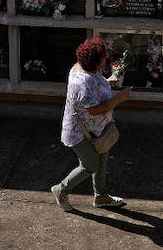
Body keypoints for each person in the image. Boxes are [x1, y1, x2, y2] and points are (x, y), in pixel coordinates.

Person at [52, 36, 131, 211]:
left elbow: (93, 87)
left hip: (97, 128)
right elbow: (94, 109)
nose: (106, 59)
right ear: (95, 62)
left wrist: (108, 80)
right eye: (103, 57)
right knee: (90, 164)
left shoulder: (82, 68)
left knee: (102, 158)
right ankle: (61, 189)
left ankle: (101, 196)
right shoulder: (84, 81)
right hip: (80, 132)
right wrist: (119, 98)